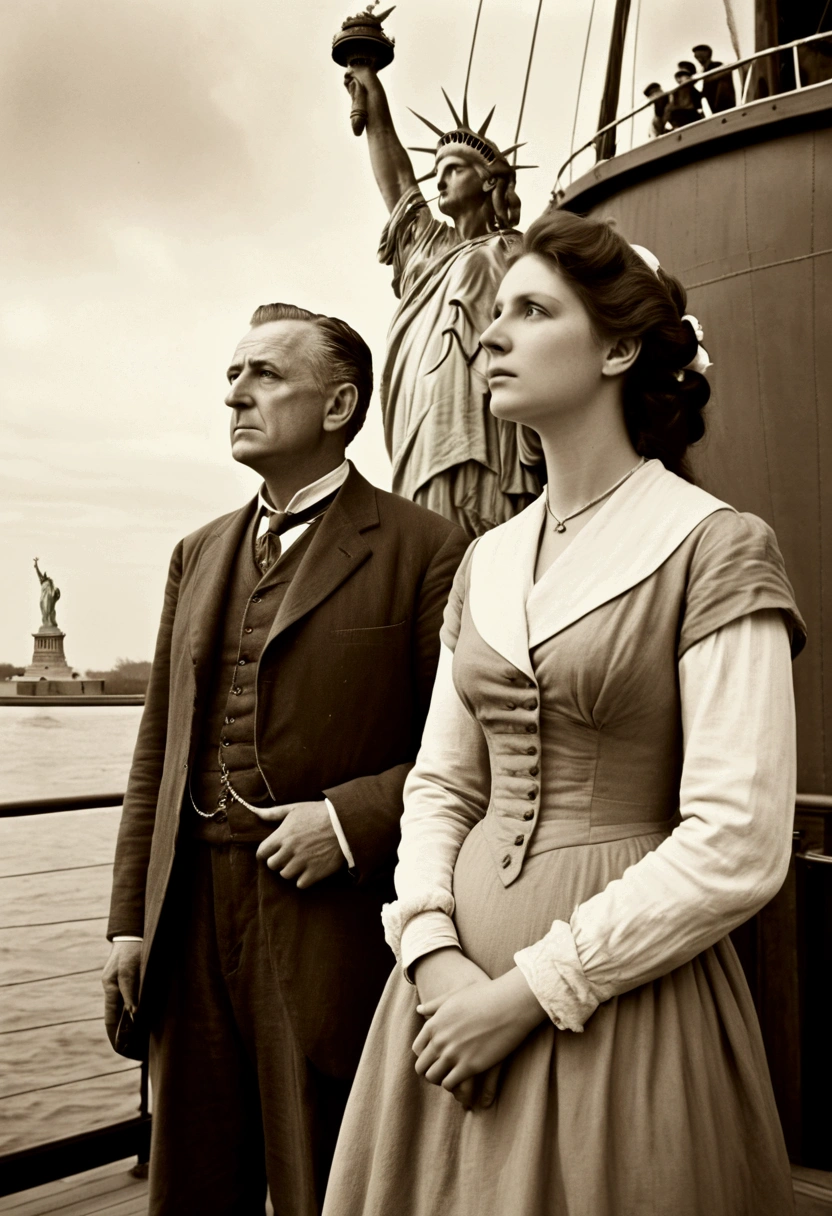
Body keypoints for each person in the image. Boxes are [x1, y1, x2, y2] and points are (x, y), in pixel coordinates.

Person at [323, 212, 805, 1216]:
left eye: (531, 310)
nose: (489, 334)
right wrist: (429, 949)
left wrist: (528, 993)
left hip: (621, 998)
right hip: (448, 993)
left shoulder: (717, 547)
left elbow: (740, 839)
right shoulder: (486, 559)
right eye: (493, 311)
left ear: (619, 348)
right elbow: (444, 783)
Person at [102, 302, 467, 1216]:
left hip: (327, 919)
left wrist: (348, 821)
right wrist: (127, 925)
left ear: (340, 405)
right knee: (192, 1181)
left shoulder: (429, 549)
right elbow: (159, 750)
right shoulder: (195, 554)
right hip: (187, 918)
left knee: (325, 1177)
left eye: (265, 374)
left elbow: (465, 751)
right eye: (232, 375)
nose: (235, 394)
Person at [343, 63, 541, 537]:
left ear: (488, 180)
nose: (440, 180)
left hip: (487, 418)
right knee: (423, 541)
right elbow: (398, 185)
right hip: (424, 413)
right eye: (438, 171)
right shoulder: (431, 247)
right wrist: (371, 92)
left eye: (453, 169)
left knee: (481, 540)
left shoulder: (520, 251)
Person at [693, 43, 737, 113]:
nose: (698, 58)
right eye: (696, 56)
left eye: (700, 55)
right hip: (713, 107)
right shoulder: (703, 71)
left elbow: (726, 73)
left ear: (707, 54)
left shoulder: (717, 65)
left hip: (724, 105)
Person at [666, 62, 704, 127]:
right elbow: (670, 110)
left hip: (693, 115)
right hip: (680, 117)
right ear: (678, 79)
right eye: (683, 76)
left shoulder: (694, 91)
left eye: (688, 76)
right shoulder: (674, 93)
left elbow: (700, 108)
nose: (686, 78)